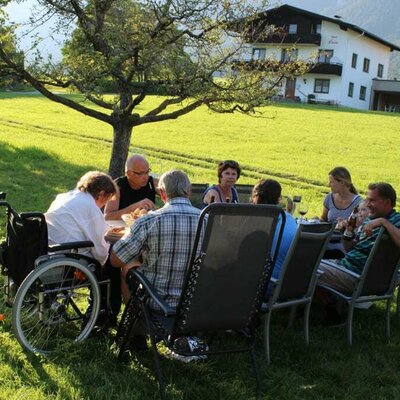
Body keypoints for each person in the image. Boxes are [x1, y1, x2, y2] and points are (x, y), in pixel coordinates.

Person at [111, 169, 204, 308]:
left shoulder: (148, 221)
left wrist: (130, 231)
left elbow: (115, 260)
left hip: (155, 301)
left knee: (126, 266)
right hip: (194, 304)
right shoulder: (208, 220)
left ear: (161, 192)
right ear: (189, 191)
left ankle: (135, 320)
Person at [319, 183, 400, 319]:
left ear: (387, 202)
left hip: (355, 276)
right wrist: (348, 232)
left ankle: (329, 307)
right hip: (348, 268)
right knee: (311, 262)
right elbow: (350, 249)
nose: (367, 204)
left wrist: (383, 222)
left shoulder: (395, 220)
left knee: (305, 265)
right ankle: (329, 302)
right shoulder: (370, 220)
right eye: (367, 200)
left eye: (372, 200)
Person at [45, 171, 117, 265]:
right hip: (68, 257)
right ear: (101, 194)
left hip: (49, 250)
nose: (104, 205)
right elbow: (100, 253)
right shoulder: (90, 207)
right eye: (107, 199)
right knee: (113, 254)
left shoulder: (64, 197)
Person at [252, 179, 298, 286]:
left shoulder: (256, 221)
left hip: (264, 284)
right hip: (288, 284)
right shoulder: (289, 219)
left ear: (255, 198)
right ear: (279, 199)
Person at [104, 154, 159, 220]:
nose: (145, 177)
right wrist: (135, 207)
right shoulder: (117, 186)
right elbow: (108, 216)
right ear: (128, 173)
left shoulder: (152, 183)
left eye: (147, 172)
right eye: (140, 173)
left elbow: (171, 195)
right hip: (123, 228)